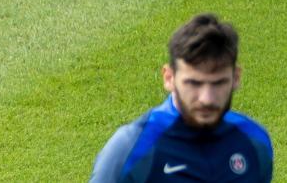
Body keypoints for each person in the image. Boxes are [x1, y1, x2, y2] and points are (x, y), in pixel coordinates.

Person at [90, 13, 273, 182]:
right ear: (169, 78)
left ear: (236, 78)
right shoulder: (131, 147)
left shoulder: (254, 142)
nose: (207, 99)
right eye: (193, 83)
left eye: (218, 83)